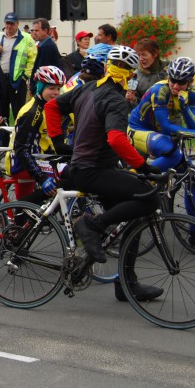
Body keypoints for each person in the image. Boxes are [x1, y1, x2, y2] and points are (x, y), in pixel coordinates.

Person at [44, 45, 163, 303]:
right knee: (150, 198)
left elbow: (52, 107)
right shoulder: (115, 99)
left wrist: (59, 143)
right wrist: (144, 168)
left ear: (108, 67)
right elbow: (117, 139)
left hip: (83, 167)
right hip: (93, 170)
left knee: (133, 216)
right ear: (130, 75)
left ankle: (125, 284)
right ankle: (90, 225)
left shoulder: (89, 87)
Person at [127, 57, 195, 232]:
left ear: (190, 82)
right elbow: (166, 126)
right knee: (172, 151)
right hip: (137, 129)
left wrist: (185, 107)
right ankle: (136, 179)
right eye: (173, 80)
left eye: (181, 82)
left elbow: (194, 125)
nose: (176, 85)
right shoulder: (160, 90)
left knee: (194, 177)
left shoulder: (192, 94)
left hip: (159, 135)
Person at [6, 66, 66, 201]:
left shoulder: (49, 107)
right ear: (40, 87)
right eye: (51, 88)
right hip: (21, 162)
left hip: (38, 158)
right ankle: (25, 212)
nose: (56, 92)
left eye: (58, 88)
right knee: (65, 178)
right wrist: (41, 178)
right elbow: (21, 150)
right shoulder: (32, 113)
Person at [0, 12, 37, 123]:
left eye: (12, 23)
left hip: (17, 81)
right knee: (2, 113)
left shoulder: (26, 38)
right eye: (7, 23)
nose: (9, 26)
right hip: (1, 80)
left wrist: (25, 76)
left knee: (19, 112)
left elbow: (32, 59)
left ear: (17, 24)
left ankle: (17, 138)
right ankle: (3, 139)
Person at [29, 18, 64, 95]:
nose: (34, 33)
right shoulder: (44, 44)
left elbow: (42, 70)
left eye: (37, 30)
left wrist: (34, 88)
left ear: (45, 31)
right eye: (33, 30)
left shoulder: (47, 46)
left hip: (45, 88)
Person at [129, 38, 167, 106]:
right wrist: (133, 100)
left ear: (155, 53)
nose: (140, 59)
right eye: (138, 55)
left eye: (144, 55)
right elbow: (135, 103)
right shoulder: (135, 75)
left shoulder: (168, 71)